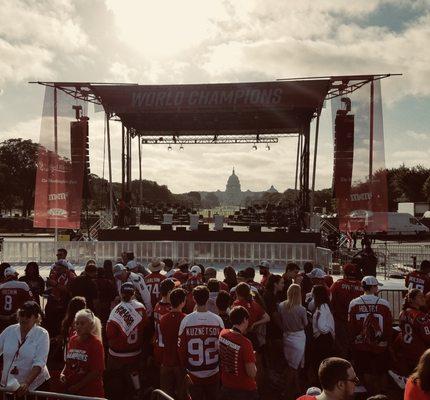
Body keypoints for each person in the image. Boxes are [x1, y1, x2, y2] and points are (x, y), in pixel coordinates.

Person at [178, 285, 224, 400]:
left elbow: (181, 348)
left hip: (194, 371)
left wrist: (185, 368)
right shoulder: (217, 320)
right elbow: (223, 346)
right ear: (208, 298)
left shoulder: (186, 320)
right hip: (213, 370)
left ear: (194, 298)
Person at [348, 276, 392, 395]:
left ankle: (371, 394)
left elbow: (351, 326)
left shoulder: (354, 303)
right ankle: (382, 395)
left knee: (366, 371)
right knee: (382, 371)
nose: (377, 288)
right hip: (380, 344)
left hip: (361, 344)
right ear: (372, 287)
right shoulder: (384, 304)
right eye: (376, 286)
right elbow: (388, 326)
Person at [106, 282, 147, 400]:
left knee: (115, 377)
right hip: (135, 351)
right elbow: (145, 325)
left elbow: (110, 334)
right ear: (134, 293)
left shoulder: (116, 309)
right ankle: (137, 391)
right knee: (134, 371)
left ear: (121, 293)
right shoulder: (141, 307)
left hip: (117, 353)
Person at [0, 301, 50, 396]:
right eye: (22, 314)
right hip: (10, 385)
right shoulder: (9, 330)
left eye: (28, 315)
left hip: (34, 387)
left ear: (36, 318)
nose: (24, 318)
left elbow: (39, 363)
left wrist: (26, 383)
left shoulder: (42, 334)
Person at [60, 309, 105, 397]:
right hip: (72, 391)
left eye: (82, 323)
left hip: (90, 393)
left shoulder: (96, 344)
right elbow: (69, 362)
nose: (78, 326)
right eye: (77, 323)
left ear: (91, 325)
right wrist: (63, 373)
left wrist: (77, 387)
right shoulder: (72, 340)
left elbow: (96, 372)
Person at [219, 306, 258, 400]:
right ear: (244, 319)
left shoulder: (222, 334)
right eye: (247, 320)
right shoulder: (245, 343)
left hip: (226, 386)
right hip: (244, 389)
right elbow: (251, 373)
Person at [278, 283, 308, 398]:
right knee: (294, 366)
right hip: (298, 337)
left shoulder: (281, 306)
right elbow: (305, 324)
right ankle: (287, 390)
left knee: (292, 364)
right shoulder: (301, 309)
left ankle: (297, 388)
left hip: (287, 336)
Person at [330, 263, 363, 357]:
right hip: (357, 322)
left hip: (341, 320)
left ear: (344, 273)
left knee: (342, 346)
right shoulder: (362, 286)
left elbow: (330, 301)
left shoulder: (337, 285)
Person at [160, 288, 187, 400]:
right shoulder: (186, 319)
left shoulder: (163, 319)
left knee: (166, 395)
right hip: (180, 364)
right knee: (182, 394)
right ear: (182, 302)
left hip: (166, 361)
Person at [397, 289, 430, 375]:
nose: (423, 299)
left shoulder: (402, 313)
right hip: (419, 352)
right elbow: (428, 337)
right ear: (412, 300)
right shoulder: (420, 316)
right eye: (420, 297)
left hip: (406, 350)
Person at [310, 285, 335, 386]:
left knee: (319, 363)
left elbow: (322, 326)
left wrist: (321, 331)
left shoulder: (321, 307)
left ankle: (320, 383)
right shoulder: (325, 306)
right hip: (325, 338)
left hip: (322, 339)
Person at [233, 282, 270, 350]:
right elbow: (267, 318)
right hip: (252, 336)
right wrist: (254, 324)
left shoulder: (237, 305)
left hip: (239, 336)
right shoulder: (255, 304)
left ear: (238, 293)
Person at [45, 259, 76, 337]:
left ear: (64, 268)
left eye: (59, 268)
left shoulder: (70, 275)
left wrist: (55, 284)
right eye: (56, 267)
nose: (56, 269)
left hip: (64, 303)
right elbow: (50, 287)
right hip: (54, 302)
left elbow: (68, 289)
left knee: (61, 326)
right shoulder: (55, 274)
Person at [0, 267, 33, 333]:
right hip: (17, 317)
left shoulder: (1, 286)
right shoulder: (23, 285)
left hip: (2, 318)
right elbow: (31, 302)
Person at [153, 279, 175, 367]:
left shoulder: (157, 305)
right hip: (167, 348)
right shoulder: (169, 309)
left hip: (158, 344)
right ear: (170, 292)